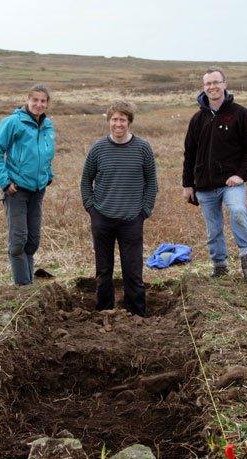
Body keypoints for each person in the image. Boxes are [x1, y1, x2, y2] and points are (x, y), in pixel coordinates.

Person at [182, 67, 247, 283]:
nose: (212, 87)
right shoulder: (197, 119)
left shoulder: (241, 114)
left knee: (237, 211)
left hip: (231, 183)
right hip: (205, 185)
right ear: (203, 87)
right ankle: (219, 266)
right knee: (213, 229)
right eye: (208, 83)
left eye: (216, 82)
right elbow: (189, 153)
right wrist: (188, 184)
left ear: (225, 84)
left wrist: (241, 175)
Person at [81, 101, 158, 317]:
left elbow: (151, 181)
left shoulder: (143, 148)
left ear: (129, 122)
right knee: (103, 270)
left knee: (133, 271)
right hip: (102, 218)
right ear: (109, 121)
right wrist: (91, 208)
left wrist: (144, 211)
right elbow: (86, 180)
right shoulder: (98, 149)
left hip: (132, 219)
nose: (118, 124)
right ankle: (104, 310)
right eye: (114, 119)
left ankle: (137, 313)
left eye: (122, 119)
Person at [0, 84, 54, 285]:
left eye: (43, 101)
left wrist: (48, 175)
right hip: (16, 189)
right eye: (35, 100)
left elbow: (46, 153)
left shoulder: (47, 125)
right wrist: (4, 182)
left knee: (33, 239)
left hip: (38, 190)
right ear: (27, 100)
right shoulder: (12, 122)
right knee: (18, 240)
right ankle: (22, 285)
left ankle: (29, 282)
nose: (39, 104)